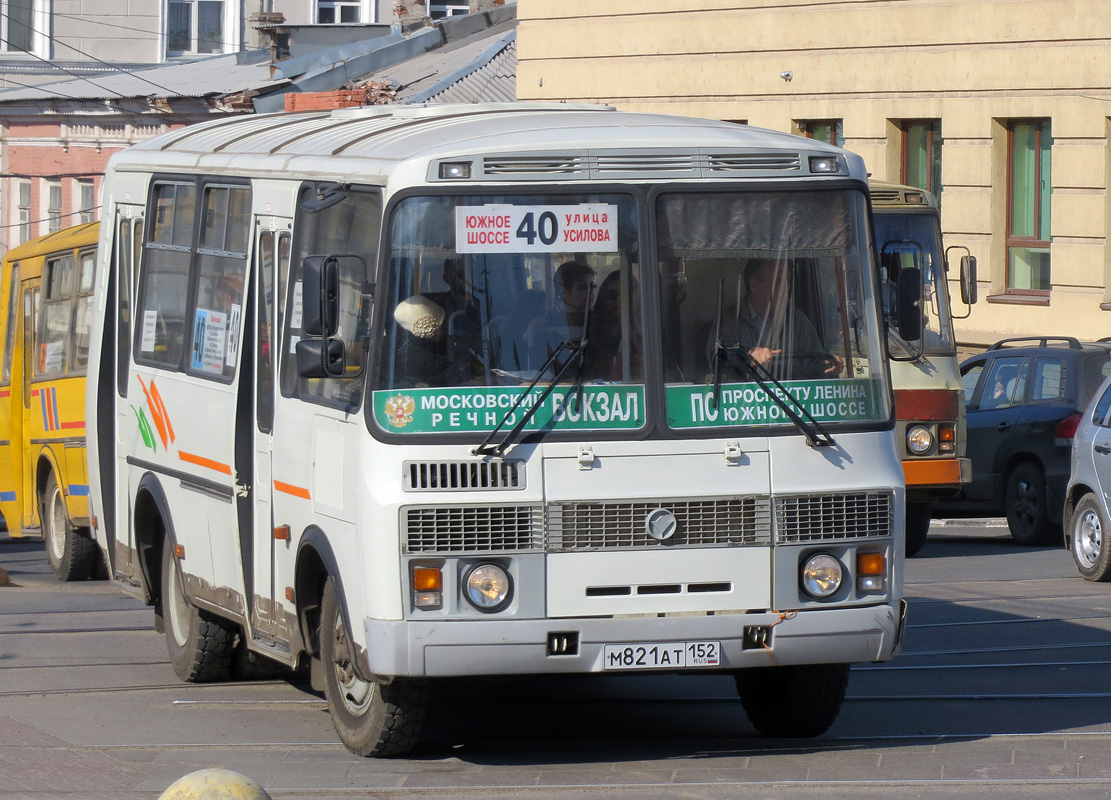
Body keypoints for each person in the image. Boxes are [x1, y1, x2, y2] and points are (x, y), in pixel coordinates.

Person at [718, 257, 841, 379]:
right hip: (747, 396)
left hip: (792, 398)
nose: (785, 288)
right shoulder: (730, 320)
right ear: (754, 285)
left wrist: (831, 365)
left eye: (786, 281)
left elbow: (818, 366)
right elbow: (717, 360)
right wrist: (748, 354)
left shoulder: (797, 321)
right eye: (777, 282)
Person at [523, 261, 597, 374]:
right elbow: (536, 372)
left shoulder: (600, 320)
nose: (590, 292)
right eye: (583, 287)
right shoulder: (542, 324)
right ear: (564, 291)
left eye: (592, 286)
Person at [589, 270, 641, 381]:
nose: (619, 300)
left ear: (636, 296)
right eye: (612, 295)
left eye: (627, 295)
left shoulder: (648, 328)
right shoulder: (591, 329)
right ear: (603, 297)